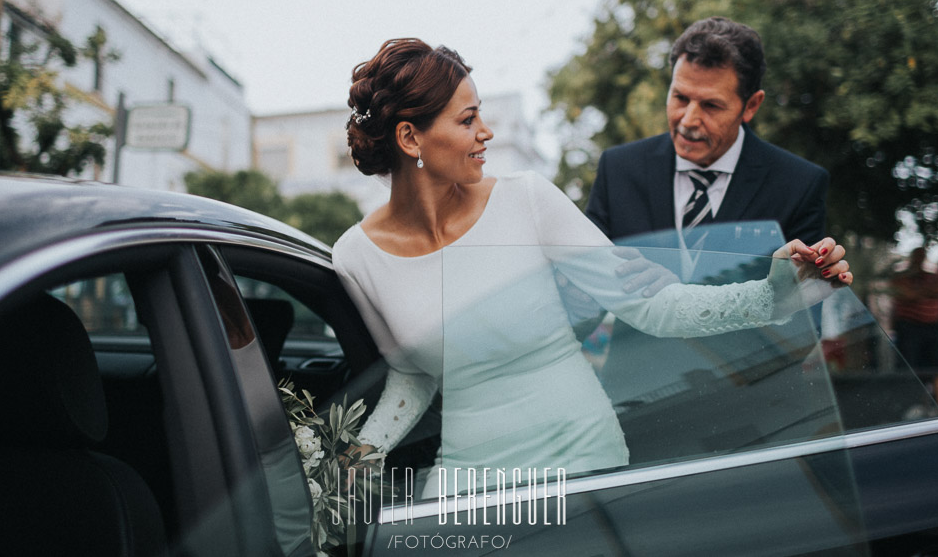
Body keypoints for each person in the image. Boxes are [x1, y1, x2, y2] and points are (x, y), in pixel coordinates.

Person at [332, 38, 853, 496]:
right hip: (467, 475)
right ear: (410, 139)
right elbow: (412, 374)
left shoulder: (528, 200)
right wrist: (361, 453)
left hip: (580, 459)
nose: (487, 132)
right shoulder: (353, 257)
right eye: (468, 120)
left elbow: (652, 307)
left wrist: (773, 295)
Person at [586, 16, 828, 247]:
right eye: (680, 98)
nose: (689, 120)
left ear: (751, 105)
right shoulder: (617, 170)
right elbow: (586, 275)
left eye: (711, 105)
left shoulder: (799, 186)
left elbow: (796, 288)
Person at [891, 247, 938, 412]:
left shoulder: (931, 276)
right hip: (909, 326)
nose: (920, 259)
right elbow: (905, 293)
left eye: (922, 256)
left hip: (933, 326)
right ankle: (911, 407)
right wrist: (926, 292)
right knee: (910, 368)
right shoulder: (902, 276)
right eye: (917, 255)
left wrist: (920, 292)